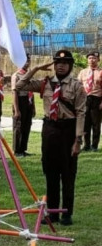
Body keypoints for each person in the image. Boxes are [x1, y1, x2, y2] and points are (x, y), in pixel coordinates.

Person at [15, 50, 86, 226]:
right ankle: (53, 212)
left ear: (70, 66)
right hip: (50, 130)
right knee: (51, 173)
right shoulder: (45, 83)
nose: (61, 66)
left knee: (68, 174)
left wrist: (77, 140)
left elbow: (81, 113)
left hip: (68, 130)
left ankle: (67, 213)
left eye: (65, 63)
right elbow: (19, 86)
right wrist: (37, 68)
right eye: (57, 63)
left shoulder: (76, 85)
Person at [11, 53, 35, 157]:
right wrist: (16, 109)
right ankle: (17, 150)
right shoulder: (16, 75)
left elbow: (32, 91)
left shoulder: (29, 74)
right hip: (20, 101)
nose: (26, 63)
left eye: (28, 61)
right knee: (19, 127)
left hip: (28, 101)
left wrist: (33, 106)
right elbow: (14, 92)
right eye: (24, 61)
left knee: (27, 126)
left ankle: (23, 149)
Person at [77, 51, 102, 152]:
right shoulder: (83, 72)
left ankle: (94, 145)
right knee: (85, 123)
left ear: (98, 60)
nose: (92, 60)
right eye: (90, 58)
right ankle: (86, 145)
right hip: (85, 99)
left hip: (96, 99)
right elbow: (78, 86)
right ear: (87, 60)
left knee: (96, 124)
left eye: (94, 58)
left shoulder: (101, 72)